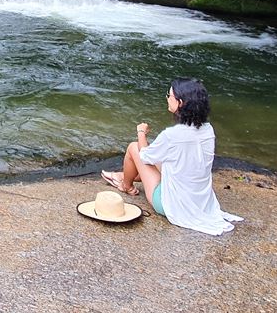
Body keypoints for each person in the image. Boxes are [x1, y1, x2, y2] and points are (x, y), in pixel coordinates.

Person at [101, 78, 242, 235]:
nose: (167, 98)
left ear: (180, 102)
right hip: (200, 202)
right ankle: (126, 176)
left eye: (169, 95)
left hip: (171, 204)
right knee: (161, 158)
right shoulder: (208, 130)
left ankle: (126, 185)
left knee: (134, 148)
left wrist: (141, 132)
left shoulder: (172, 135)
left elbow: (145, 156)